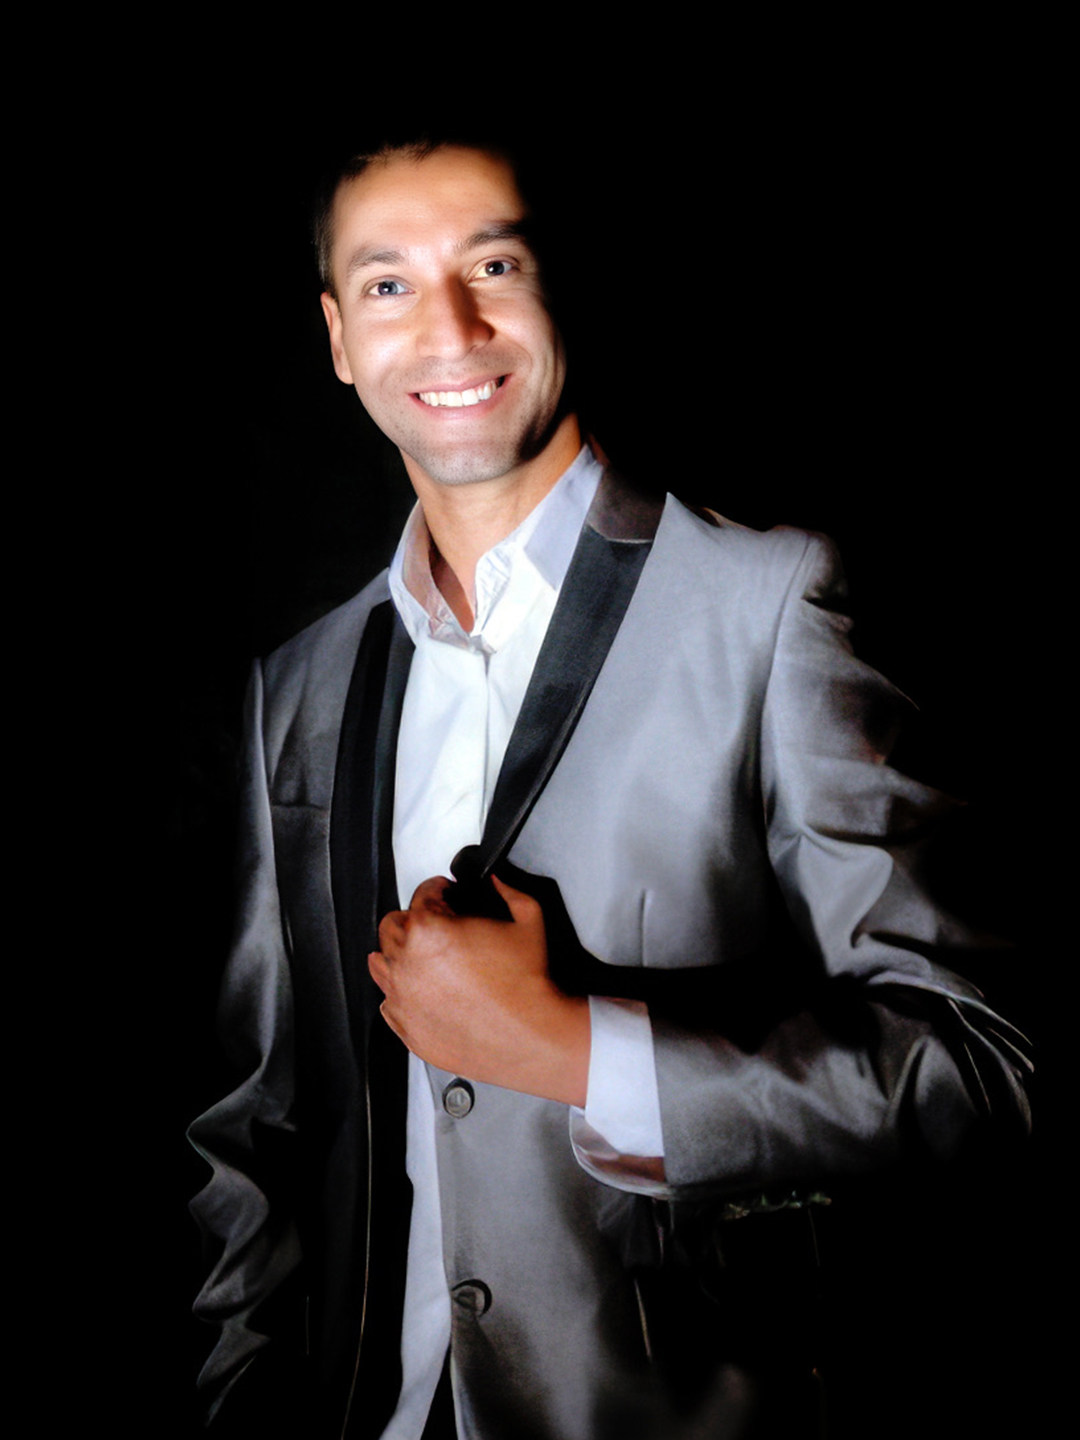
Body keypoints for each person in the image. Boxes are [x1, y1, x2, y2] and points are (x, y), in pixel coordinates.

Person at [189, 138, 1031, 1439]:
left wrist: (576, 1051)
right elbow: (249, 1135)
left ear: (557, 286)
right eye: (388, 284)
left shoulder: (768, 606)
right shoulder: (292, 691)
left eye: (494, 265)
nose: (449, 327)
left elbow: (984, 1070)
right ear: (340, 338)